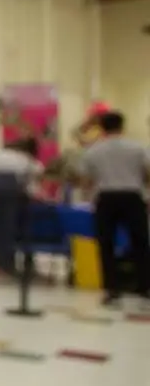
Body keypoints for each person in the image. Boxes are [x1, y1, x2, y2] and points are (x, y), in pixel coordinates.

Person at [76, 111, 150, 309]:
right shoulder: (138, 147)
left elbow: (85, 180)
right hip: (133, 197)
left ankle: (111, 290)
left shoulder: (93, 150)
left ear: (102, 127)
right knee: (141, 243)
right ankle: (144, 289)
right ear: (122, 126)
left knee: (106, 245)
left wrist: (88, 198)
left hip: (106, 198)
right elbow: (147, 172)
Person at [0, 136, 44, 279]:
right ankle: (6, 266)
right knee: (7, 230)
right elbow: (31, 186)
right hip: (10, 195)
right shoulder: (28, 161)